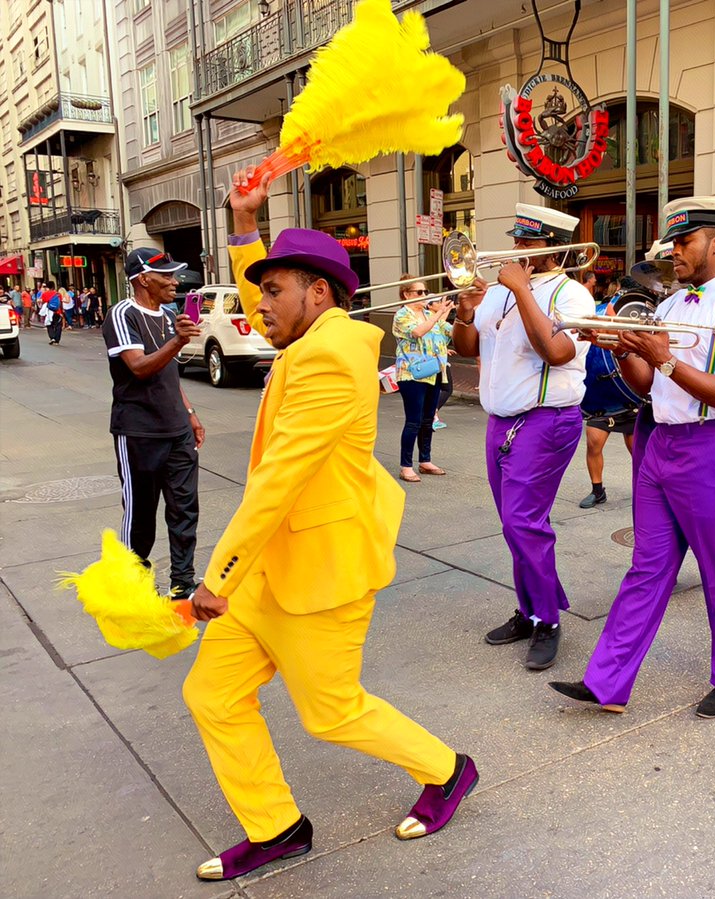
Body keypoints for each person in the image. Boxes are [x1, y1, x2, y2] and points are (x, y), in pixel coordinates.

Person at [183, 169, 476, 883]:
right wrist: (247, 227)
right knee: (212, 693)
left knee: (331, 712)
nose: (258, 308)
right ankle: (276, 826)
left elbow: (279, 479)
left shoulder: (330, 358)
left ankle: (449, 770)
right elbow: (269, 297)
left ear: (318, 293)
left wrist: (216, 578)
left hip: (321, 571)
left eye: (272, 291)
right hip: (271, 566)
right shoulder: (313, 332)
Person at [549, 196, 715, 718]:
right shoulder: (669, 306)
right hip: (661, 443)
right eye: (674, 242)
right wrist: (621, 348)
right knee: (646, 568)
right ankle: (607, 682)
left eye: (684, 242)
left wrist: (665, 358)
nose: (675, 252)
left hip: (713, 445)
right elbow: (646, 386)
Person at [452, 203, 593, 671]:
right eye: (517, 240)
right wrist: (466, 312)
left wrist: (522, 290)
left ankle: (548, 620)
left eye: (528, 243)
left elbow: (556, 351)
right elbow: (466, 348)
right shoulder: (498, 291)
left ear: (554, 249)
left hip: (546, 420)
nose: (516, 250)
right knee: (514, 526)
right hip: (501, 421)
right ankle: (530, 608)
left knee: (522, 522)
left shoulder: (572, 296)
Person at [102, 248, 204, 597]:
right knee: (141, 515)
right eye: (167, 276)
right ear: (144, 279)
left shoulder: (168, 312)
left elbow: (169, 375)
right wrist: (178, 340)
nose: (175, 282)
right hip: (138, 432)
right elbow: (140, 367)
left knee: (184, 509)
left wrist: (189, 413)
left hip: (176, 429)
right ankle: (134, 582)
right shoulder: (122, 314)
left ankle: (183, 583)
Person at [578, 278, 641, 509]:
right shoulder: (601, 310)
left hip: (630, 393)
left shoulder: (638, 313)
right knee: (594, 443)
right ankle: (597, 490)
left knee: (637, 449)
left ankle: (644, 489)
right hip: (602, 393)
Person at [392, 278, 452, 483]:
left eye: (425, 291)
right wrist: (437, 315)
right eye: (419, 292)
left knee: (428, 420)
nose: (424, 295)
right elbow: (417, 332)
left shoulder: (429, 314)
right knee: (413, 421)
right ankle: (406, 466)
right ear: (406, 294)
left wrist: (457, 312)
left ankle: (425, 460)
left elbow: (449, 333)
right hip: (411, 373)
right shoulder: (402, 315)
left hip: (434, 371)